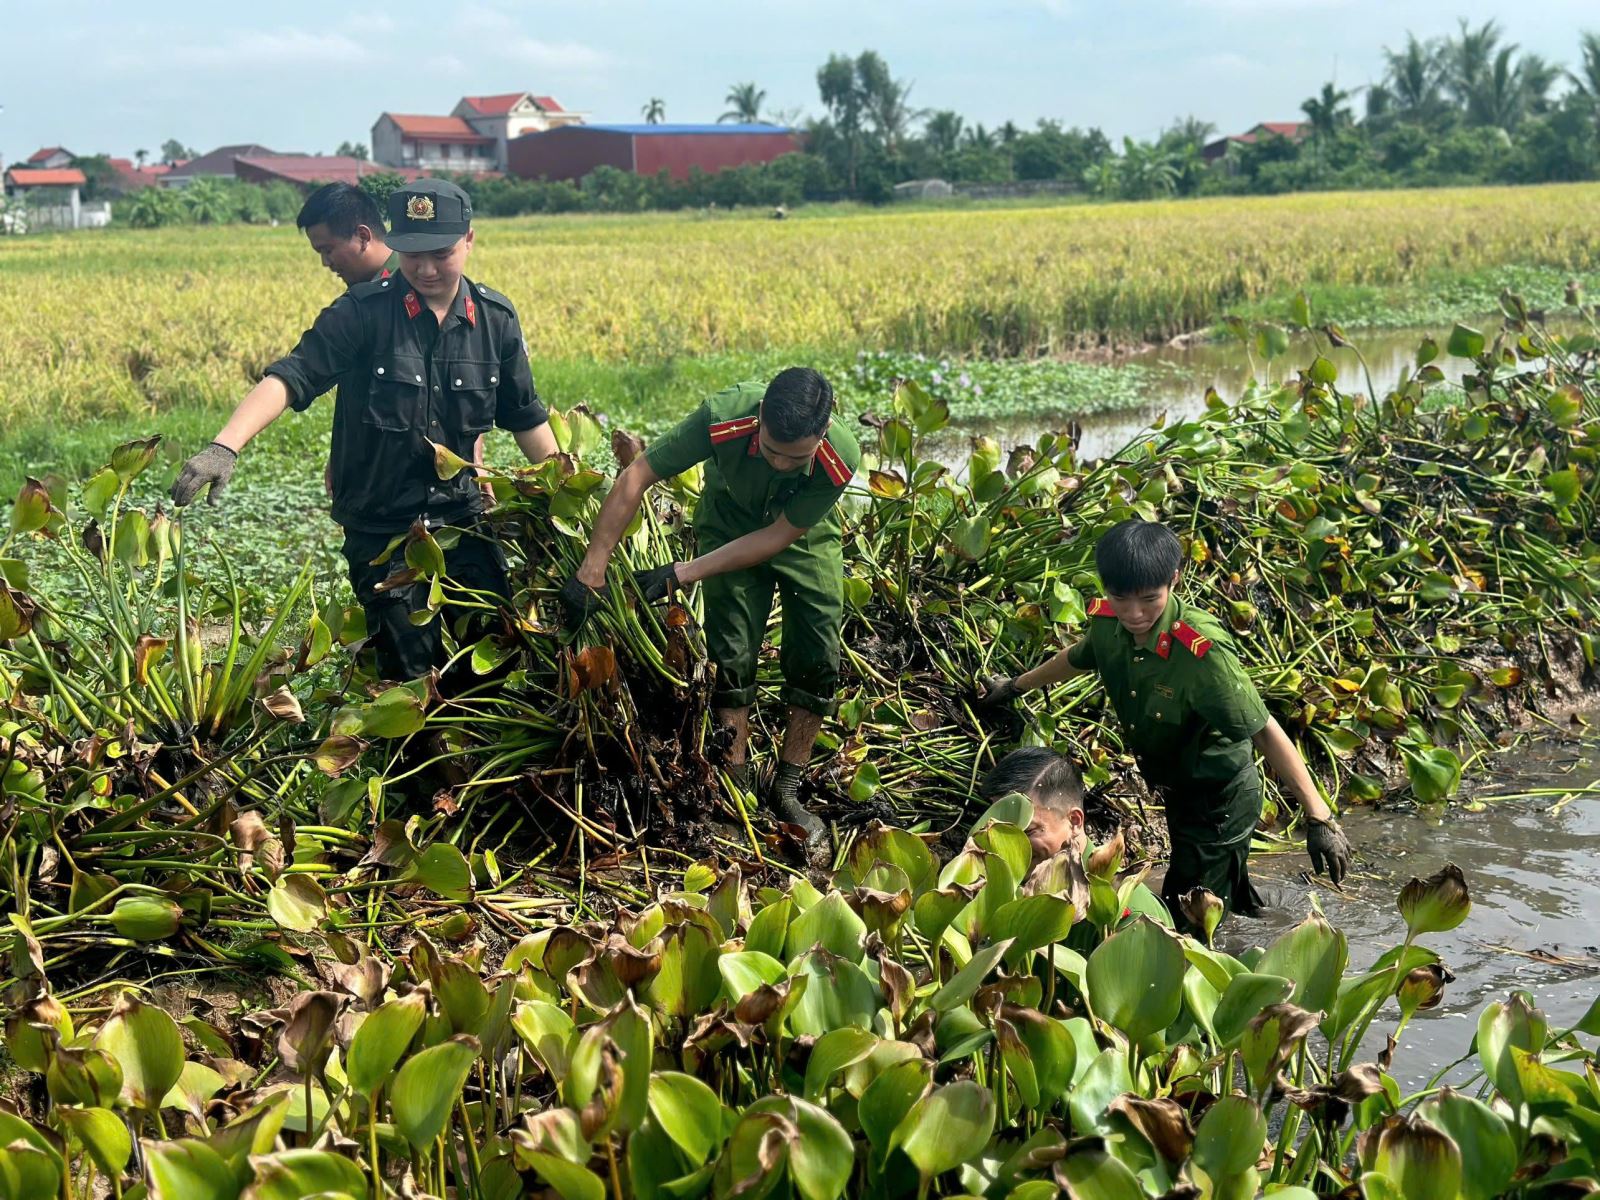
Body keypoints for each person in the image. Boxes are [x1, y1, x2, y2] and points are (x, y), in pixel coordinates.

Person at [171, 178, 558, 684]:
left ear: (469, 240)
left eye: (440, 253)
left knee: (495, 662)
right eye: (411, 253)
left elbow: (526, 418)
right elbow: (290, 378)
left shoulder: (495, 319)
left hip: (464, 523)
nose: (424, 268)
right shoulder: (361, 313)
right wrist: (225, 445)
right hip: (383, 530)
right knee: (412, 677)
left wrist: (563, 493)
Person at [979, 518, 1352, 935]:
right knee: (1220, 890)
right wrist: (1014, 686)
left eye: (1149, 600)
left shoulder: (1201, 652)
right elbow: (1079, 657)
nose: (1134, 614)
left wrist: (1319, 818)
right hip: (1177, 787)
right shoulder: (1108, 624)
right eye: (1120, 599)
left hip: (1220, 796)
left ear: (1173, 579)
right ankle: (1272, 925)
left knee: (1188, 909)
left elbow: (1263, 729)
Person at [559, 368, 859, 851]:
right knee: (732, 645)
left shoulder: (838, 457)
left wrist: (680, 572)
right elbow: (637, 474)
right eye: (772, 449)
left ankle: (787, 786)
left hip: (798, 534)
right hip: (729, 518)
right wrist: (591, 571)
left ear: (822, 434)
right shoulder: (723, 418)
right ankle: (736, 778)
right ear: (759, 417)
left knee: (818, 646)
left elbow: (777, 538)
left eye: (795, 456)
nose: (781, 463)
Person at [297, 182, 396, 288]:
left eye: (328, 250)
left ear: (363, 237)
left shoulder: (410, 282)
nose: (325, 263)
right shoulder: (362, 294)